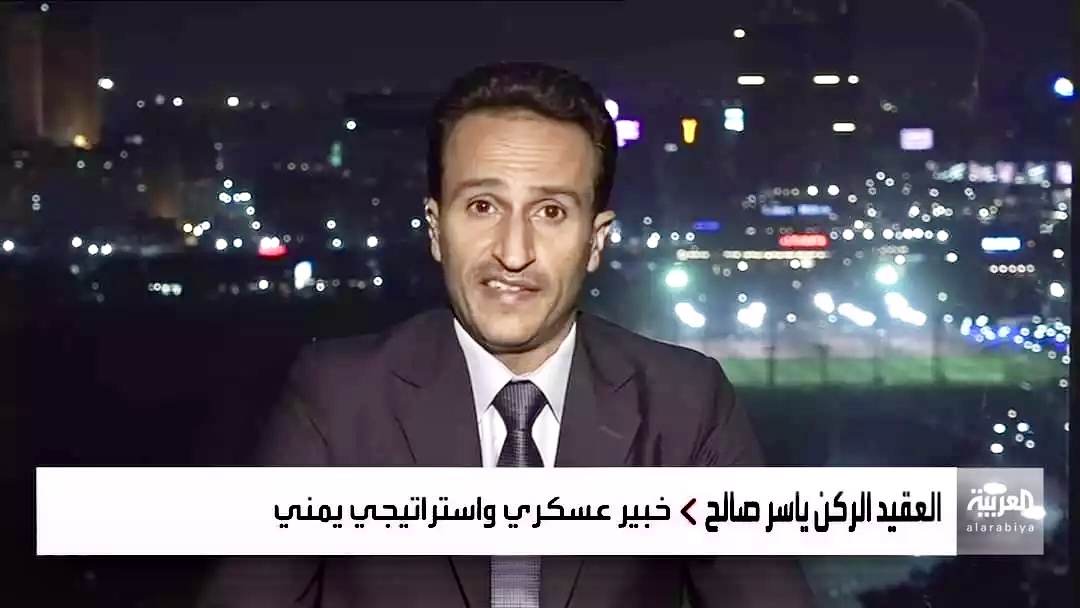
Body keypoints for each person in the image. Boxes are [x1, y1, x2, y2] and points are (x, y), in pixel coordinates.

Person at [200, 61, 816, 608]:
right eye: (483, 207)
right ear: (436, 228)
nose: (514, 253)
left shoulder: (685, 403)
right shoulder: (339, 397)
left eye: (550, 212)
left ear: (595, 241)